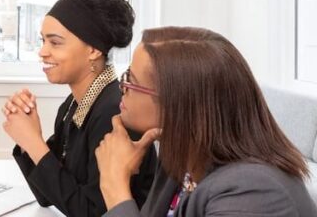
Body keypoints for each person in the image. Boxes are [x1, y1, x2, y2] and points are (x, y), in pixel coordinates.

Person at [96, 27, 317, 216]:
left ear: (177, 104)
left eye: (131, 80)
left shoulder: (254, 192)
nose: (122, 88)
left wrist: (115, 186)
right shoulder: (179, 159)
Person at [1, 0, 156, 216]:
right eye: (43, 41)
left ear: (93, 49)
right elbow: (47, 195)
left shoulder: (114, 113)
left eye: (55, 43)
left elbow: (92, 212)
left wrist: (33, 142)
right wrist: (29, 138)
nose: (42, 52)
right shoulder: (73, 106)